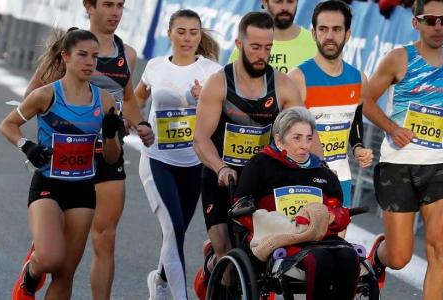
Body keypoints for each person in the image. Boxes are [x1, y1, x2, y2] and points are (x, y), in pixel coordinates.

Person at [23, 1, 155, 298]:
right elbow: (31, 97)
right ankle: (38, 260)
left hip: (108, 155)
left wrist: (141, 123)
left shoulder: (127, 54)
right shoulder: (69, 47)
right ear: (88, 6)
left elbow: (128, 97)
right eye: (108, 4)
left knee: (105, 239)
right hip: (66, 161)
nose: (116, 12)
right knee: (57, 261)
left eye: (120, 5)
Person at [0, 29, 122, 300]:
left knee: (65, 274)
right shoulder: (45, 95)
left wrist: (111, 134)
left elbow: (112, 157)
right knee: (50, 258)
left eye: (94, 57)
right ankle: (31, 274)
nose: (90, 62)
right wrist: (27, 146)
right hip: (48, 186)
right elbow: (8, 125)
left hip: (82, 190)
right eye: (82, 55)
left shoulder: (105, 101)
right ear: (65, 57)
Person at [363, 0, 443, 297]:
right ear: (416, 23)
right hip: (398, 164)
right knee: (399, 258)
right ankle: (377, 256)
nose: (438, 27)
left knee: (439, 249)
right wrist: (392, 129)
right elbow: (366, 101)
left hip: (439, 164)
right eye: (430, 20)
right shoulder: (398, 59)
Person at [192, 11, 305, 298]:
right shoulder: (218, 83)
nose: (262, 54)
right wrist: (219, 168)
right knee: (227, 253)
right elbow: (201, 139)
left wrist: (320, 170)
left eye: (268, 48)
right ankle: (215, 269)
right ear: (239, 44)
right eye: (255, 47)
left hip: (260, 178)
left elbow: (303, 131)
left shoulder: (283, 86)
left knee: (264, 255)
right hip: (222, 176)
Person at [133, 9, 222, 300]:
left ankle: (159, 279)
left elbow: (222, 115)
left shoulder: (211, 71)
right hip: (158, 159)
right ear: (169, 33)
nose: (187, 38)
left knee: (178, 231)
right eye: (180, 31)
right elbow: (135, 99)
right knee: (172, 229)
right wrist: (138, 124)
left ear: (200, 35)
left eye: (193, 32)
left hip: (195, 163)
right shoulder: (156, 67)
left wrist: (204, 99)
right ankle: (178, 295)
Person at [234, 106, 360, 299]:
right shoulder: (261, 164)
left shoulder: (322, 170)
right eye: (297, 138)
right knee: (320, 259)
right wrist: (278, 224)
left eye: (309, 138)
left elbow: (338, 209)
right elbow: (241, 207)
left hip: (319, 236)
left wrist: (335, 216)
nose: (305, 145)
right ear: (279, 139)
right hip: (281, 235)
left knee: (349, 257)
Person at [288, 0, 373, 210]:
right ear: (313, 33)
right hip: (303, 178)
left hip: (340, 177)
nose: (329, 36)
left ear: (348, 34)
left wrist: (359, 148)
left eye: (336, 29)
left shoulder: (359, 79)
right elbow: (283, 135)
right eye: (323, 29)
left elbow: (354, 123)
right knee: (304, 242)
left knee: (337, 242)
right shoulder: (297, 78)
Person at [228, 0, 317, 73]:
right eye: (278, 1)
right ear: (265, 2)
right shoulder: (246, 45)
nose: (285, 8)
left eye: (290, 1)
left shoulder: (315, 44)